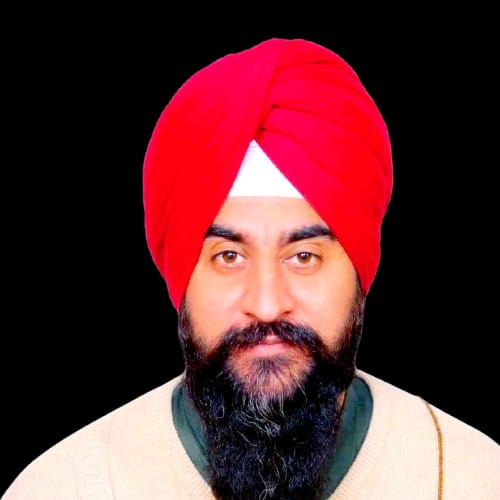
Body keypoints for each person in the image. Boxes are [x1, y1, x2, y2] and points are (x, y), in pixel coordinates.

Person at [3, 37, 498, 500]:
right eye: (229, 256)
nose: (266, 305)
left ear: (360, 275)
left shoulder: (475, 477)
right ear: (182, 278)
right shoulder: (63, 488)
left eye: (303, 257)